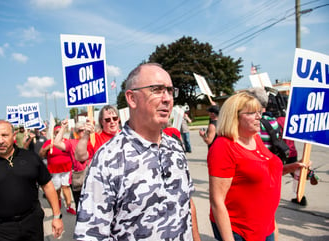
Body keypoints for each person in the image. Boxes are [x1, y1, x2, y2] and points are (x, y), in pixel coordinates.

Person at [74, 63, 201, 240]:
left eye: (170, 91)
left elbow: (187, 204)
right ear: (132, 99)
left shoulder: (175, 147)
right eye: (157, 90)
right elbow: (91, 234)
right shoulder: (108, 158)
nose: (167, 98)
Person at [0, 120, 63, 241]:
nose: (0, 140)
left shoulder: (31, 158)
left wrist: (56, 216)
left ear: (13, 136)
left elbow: (47, 185)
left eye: (5, 135)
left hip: (32, 226)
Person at [208, 92, 283, 241]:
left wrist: (292, 167)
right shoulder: (224, 146)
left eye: (258, 112)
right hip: (240, 230)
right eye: (251, 113)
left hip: (265, 224)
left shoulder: (254, 138)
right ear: (234, 117)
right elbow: (217, 201)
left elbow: (260, 173)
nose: (259, 117)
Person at [53, 120, 93, 211]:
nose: (84, 132)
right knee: (81, 209)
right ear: (76, 133)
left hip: (95, 180)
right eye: (81, 130)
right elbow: (57, 143)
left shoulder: (94, 140)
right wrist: (63, 127)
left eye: (85, 129)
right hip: (79, 180)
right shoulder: (72, 143)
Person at [39, 125, 76, 215]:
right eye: (57, 132)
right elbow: (41, 154)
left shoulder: (67, 141)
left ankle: (69, 206)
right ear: (54, 133)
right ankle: (58, 200)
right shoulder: (49, 142)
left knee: (66, 187)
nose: (59, 133)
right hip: (54, 170)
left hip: (67, 169)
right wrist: (47, 148)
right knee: (57, 188)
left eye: (60, 131)